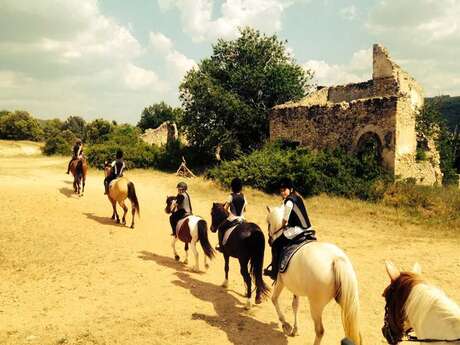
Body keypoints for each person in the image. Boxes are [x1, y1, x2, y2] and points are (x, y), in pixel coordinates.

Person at [264, 177, 313, 280]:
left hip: (297, 230)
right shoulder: (298, 197)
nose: (282, 192)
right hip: (308, 228)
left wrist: (283, 226)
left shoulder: (289, 201)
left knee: (276, 244)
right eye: (281, 190)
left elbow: (285, 220)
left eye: (284, 190)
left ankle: (274, 272)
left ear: (290, 189)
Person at [216, 177, 247, 252]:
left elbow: (225, 209)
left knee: (221, 228)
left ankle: (220, 245)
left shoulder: (231, 196)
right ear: (240, 187)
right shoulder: (243, 196)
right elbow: (245, 209)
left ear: (232, 187)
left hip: (232, 218)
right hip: (242, 218)